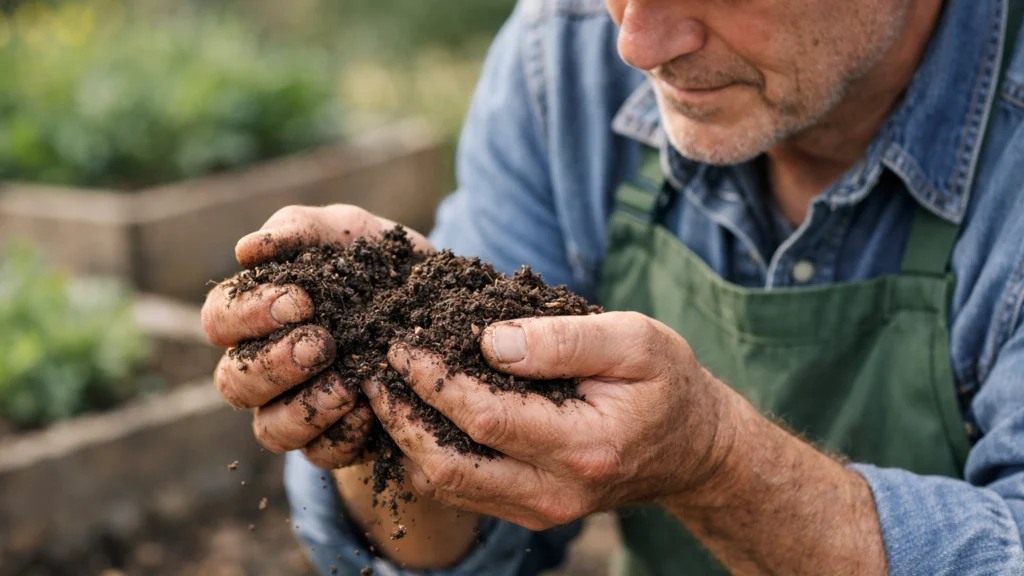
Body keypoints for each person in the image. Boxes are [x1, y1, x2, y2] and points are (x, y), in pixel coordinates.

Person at [200, 0, 1024, 573]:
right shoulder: (561, 57)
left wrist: (716, 464)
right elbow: (444, 554)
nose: (636, 44)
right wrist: (381, 407)